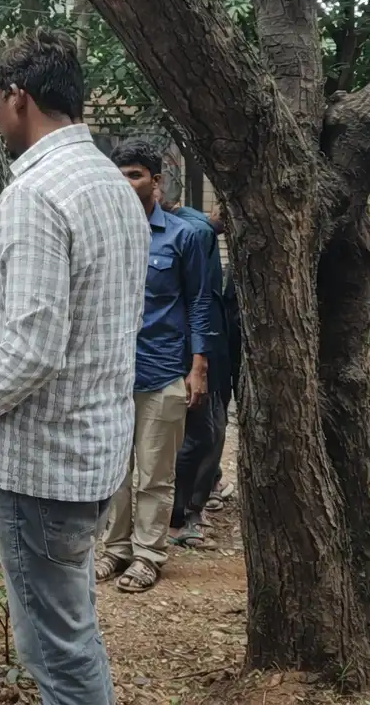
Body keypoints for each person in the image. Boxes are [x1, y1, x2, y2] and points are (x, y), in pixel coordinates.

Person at [0, 31, 148, 705]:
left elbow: (31, 350)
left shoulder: (37, 196)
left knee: (56, 650)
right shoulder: (110, 184)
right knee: (70, 628)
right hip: (93, 455)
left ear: (17, 98)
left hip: (43, 468)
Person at [98, 139, 211, 593]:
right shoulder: (108, 233)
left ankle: (148, 554)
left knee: (155, 471)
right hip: (112, 372)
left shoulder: (184, 236)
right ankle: (115, 548)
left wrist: (198, 366)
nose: (126, 184)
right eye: (120, 175)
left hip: (164, 369)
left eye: (135, 175)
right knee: (114, 469)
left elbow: (200, 302)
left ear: (156, 180)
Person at [166, 202, 227, 549]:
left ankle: (189, 509)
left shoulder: (193, 228)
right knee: (200, 433)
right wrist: (197, 362)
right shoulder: (196, 233)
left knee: (208, 431)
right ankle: (181, 515)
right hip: (189, 352)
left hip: (209, 348)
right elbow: (197, 301)